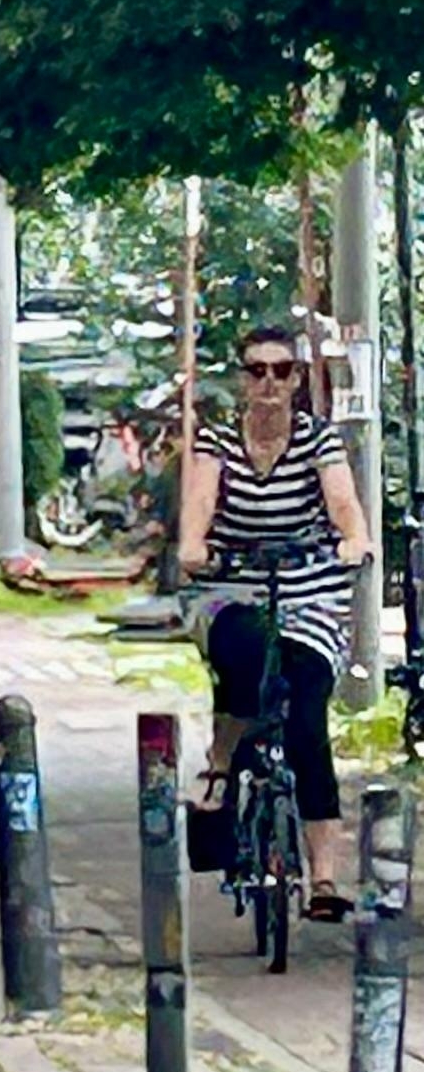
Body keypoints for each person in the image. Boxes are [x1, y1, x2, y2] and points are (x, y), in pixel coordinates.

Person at [179, 325, 371, 918]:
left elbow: (343, 507)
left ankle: (322, 878)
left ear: (297, 380)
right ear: (241, 379)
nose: (269, 383)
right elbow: (200, 506)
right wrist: (193, 546)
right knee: (242, 650)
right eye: (257, 370)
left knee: (308, 721)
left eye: (282, 371)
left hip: (308, 595)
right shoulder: (216, 441)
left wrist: (353, 542)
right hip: (229, 585)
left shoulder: (318, 442)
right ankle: (221, 759)